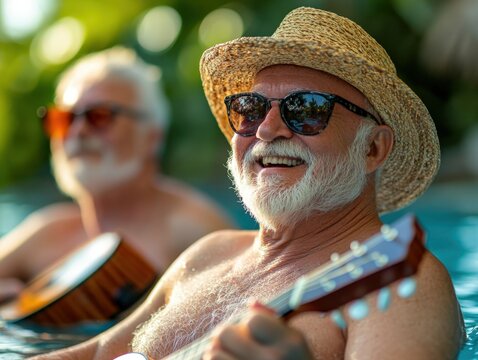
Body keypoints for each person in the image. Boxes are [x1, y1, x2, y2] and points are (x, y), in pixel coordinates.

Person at [33, 7, 465, 359]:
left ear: (373, 148)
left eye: (306, 109)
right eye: (250, 108)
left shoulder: (400, 282)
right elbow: (93, 354)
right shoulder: (206, 255)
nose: (266, 129)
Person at [0, 47, 232, 303]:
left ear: (152, 138)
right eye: (63, 119)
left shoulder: (194, 232)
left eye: (99, 116)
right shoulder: (46, 234)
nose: (77, 132)